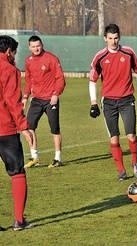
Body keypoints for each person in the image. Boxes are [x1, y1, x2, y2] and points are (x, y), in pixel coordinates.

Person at [88, 24, 137, 181]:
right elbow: (92, 80)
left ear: (119, 37)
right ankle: (121, 170)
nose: (113, 41)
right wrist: (93, 103)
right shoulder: (99, 57)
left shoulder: (128, 53)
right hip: (108, 102)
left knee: (132, 136)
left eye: (115, 38)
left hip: (127, 100)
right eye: (110, 38)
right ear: (105, 38)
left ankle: (135, 163)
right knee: (114, 138)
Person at [0, 35, 34, 230]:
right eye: (14, 53)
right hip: (5, 129)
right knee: (17, 173)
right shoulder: (9, 69)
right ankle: (19, 221)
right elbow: (12, 101)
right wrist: (23, 126)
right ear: (8, 52)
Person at [22, 35, 66, 168]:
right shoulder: (28, 61)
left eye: (38, 46)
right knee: (28, 127)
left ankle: (57, 158)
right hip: (36, 99)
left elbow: (60, 79)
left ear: (42, 45)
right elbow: (28, 81)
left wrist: (55, 94)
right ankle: (34, 156)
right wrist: (25, 96)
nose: (36, 48)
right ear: (29, 47)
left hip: (50, 100)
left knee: (54, 129)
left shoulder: (51, 59)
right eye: (33, 46)